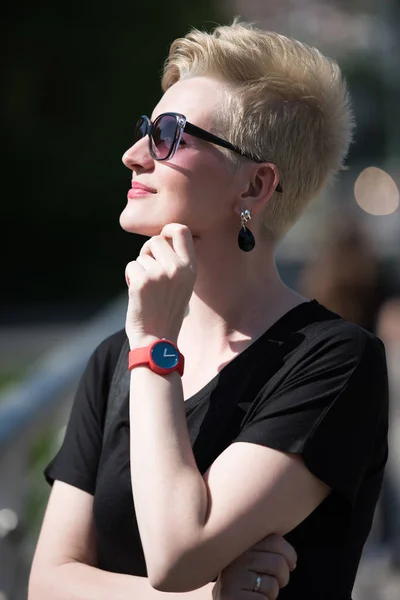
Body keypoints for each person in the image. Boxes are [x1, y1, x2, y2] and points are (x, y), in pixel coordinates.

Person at [28, 19, 388, 600]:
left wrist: (152, 344)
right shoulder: (112, 361)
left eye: (169, 134)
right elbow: (46, 582)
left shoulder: (336, 361)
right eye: (146, 128)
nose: (133, 154)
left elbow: (178, 553)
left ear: (254, 188)